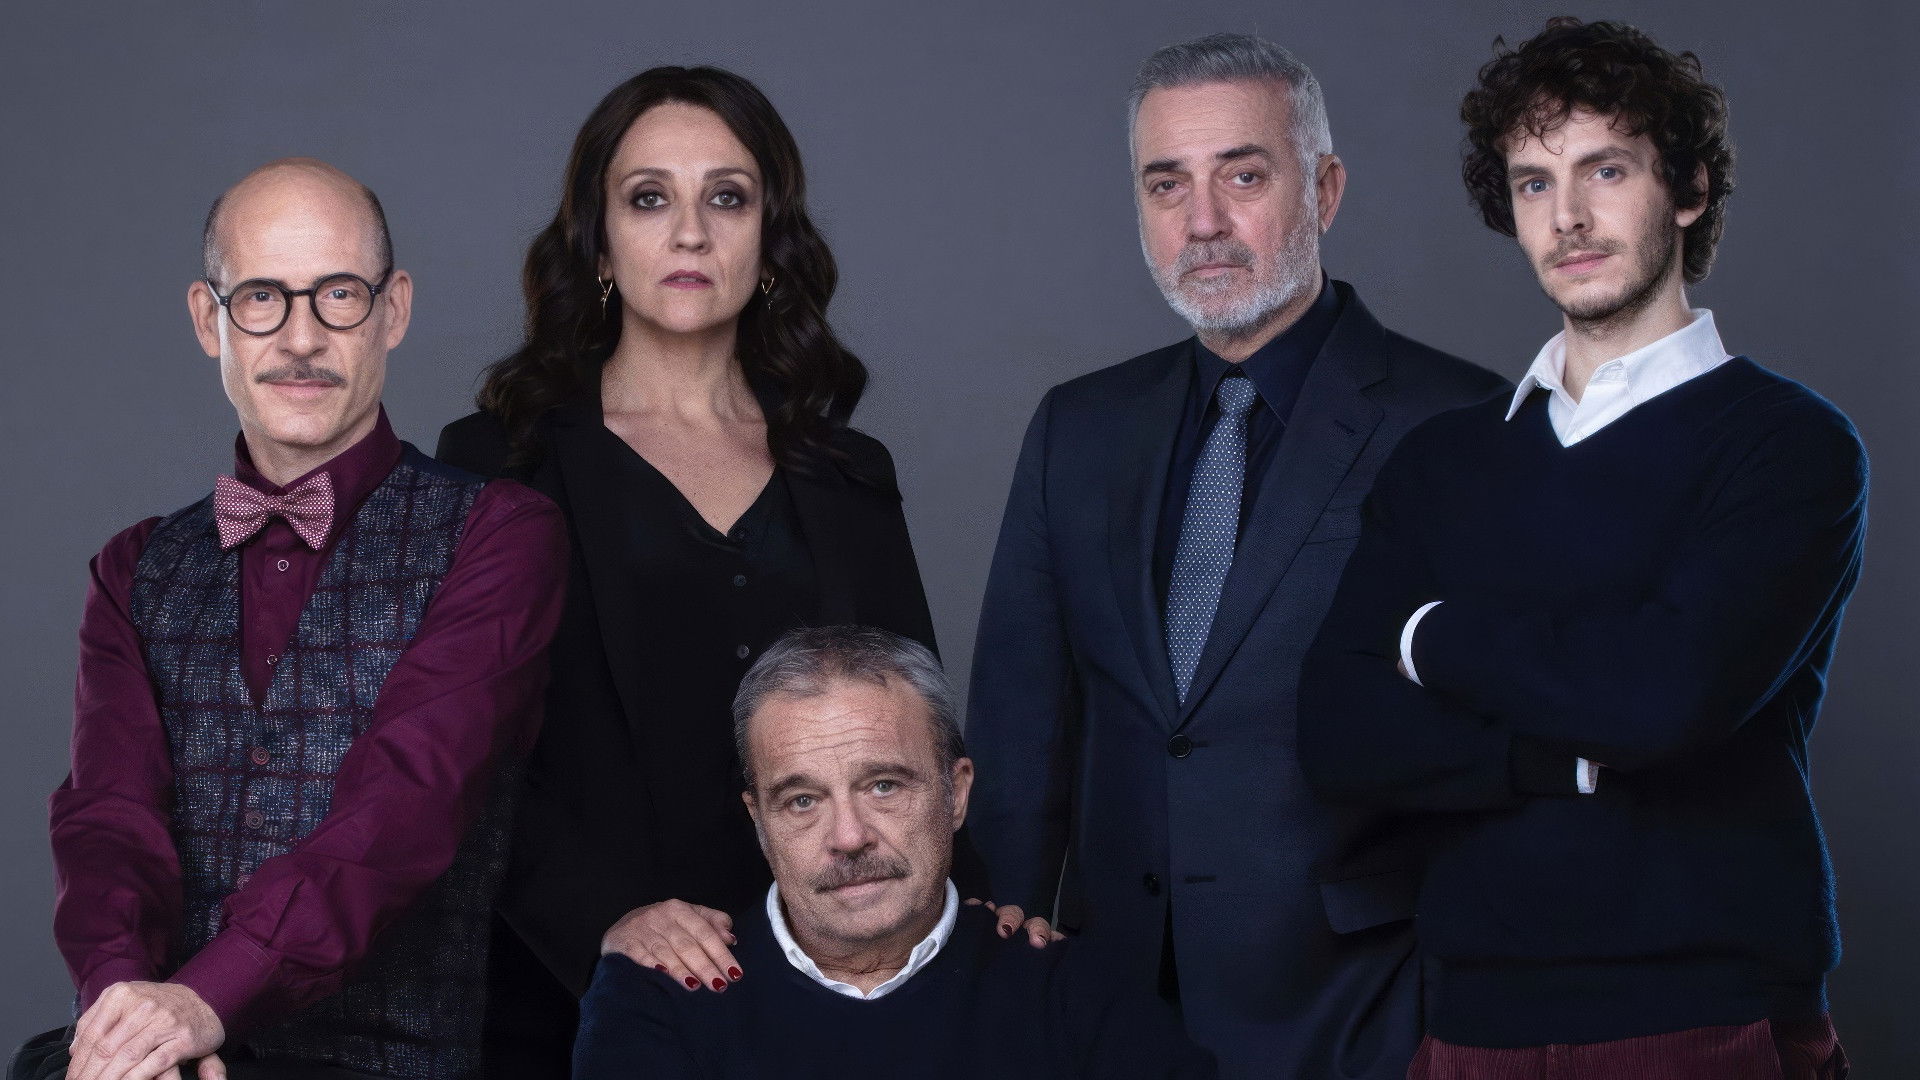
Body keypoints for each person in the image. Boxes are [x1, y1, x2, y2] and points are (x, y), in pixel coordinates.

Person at [1299, 18, 1860, 1080]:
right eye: (1533, 183)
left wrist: (1431, 638)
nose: (1568, 216)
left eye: (1606, 169)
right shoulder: (1442, 461)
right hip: (1473, 1022)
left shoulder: (1787, 444)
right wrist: (1555, 753)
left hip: (1706, 1017)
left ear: (1687, 189)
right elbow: (1338, 734)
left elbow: (1659, 700)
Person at [964, 33, 1508, 1080]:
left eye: (1244, 176)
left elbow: (1501, 737)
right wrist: (1000, 981)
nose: (1203, 221)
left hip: (1369, 1006)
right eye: (1167, 183)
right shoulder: (1078, 429)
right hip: (1113, 1003)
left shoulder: (1458, 420)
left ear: (1325, 190)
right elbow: (1021, 729)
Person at [435, 66, 969, 1077]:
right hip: (578, 993)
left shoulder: (849, 473)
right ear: (598, 244)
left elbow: (920, 737)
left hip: (833, 994)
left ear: (769, 238)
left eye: (727, 198)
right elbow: (460, 752)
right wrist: (605, 918)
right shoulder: (499, 463)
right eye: (649, 199)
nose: (690, 233)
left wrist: (981, 920)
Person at [40, 159, 567, 1080]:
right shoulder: (134, 567)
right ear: (208, 319)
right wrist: (132, 1018)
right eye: (262, 298)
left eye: (339, 295)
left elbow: (407, 804)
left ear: (393, 310)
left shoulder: (501, 535)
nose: (301, 338)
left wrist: (205, 999)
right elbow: (109, 822)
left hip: (389, 1064)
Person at [572, 626, 1215, 1079]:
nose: (849, 836)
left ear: (956, 794)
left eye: (884, 786)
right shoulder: (656, 999)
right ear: (759, 822)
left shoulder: (1078, 991)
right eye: (802, 800)